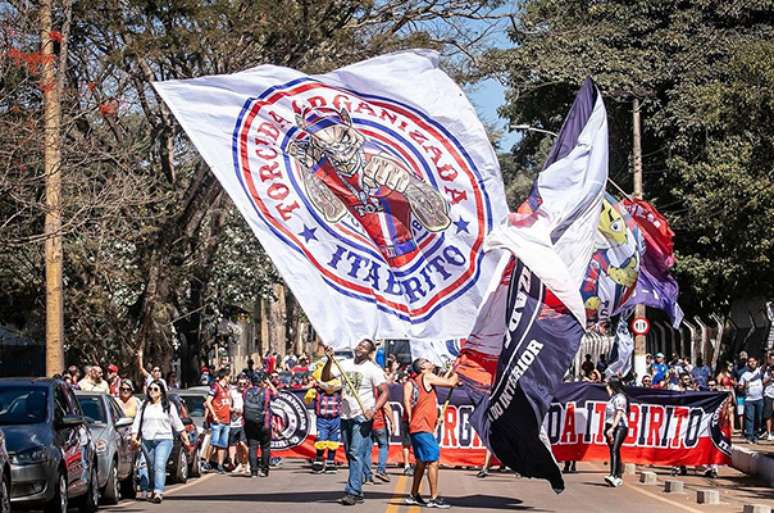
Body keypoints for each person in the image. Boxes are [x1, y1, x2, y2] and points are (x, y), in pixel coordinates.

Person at [321, 340, 389, 506]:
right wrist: (329, 360)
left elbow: (384, 392)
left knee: (355, 452)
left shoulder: (373, 370)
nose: (360, 348)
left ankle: (352, 491)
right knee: (350, 454)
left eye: (364, 347)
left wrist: (373, 410)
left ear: (370, 352)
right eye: (359, 345)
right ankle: (358, 490)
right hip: (345, 415)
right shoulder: (345, 363)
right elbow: (325, 377)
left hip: (362, 416)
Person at [404, 358, 458, 509]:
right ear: (422, 367)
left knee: (421, 463)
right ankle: (434, 498)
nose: (430, 362)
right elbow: (450, 383)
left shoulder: (421, 379)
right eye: (427, 361)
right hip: (422, 427)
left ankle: (413, 495)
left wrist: (451, 373)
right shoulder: (426, 376)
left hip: (420, 426)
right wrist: (458, 371)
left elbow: (445, 381)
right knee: (433, 461)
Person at [131, 380, 190, 503]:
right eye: (150, 389)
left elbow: (177, 423)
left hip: (164, 440)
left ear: (162, 392)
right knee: (152, 467)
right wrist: (134, 436)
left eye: (155, 389)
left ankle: (158, 491)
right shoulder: (144, 405)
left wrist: (185, 438)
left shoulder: (168, 405)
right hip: (147, 440)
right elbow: (137, 422)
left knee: (159, 465)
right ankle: (153, 487)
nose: (152, 391)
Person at [242, 371, 277, 477]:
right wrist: (269, 383)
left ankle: (253, 471)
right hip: (264, 423)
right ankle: (264, 470)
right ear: (261, 381)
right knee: (265, 447)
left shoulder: (246, 392)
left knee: (252, 447)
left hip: (249, 423)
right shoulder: (266, 391)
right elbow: (276, 395)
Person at [308, 369, 343, 474]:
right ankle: (319, 460)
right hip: (322, 419)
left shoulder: (339, 392)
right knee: (321, 440)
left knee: (333, 441)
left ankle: (330, 461)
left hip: (335, 419)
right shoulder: (318, 391)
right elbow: (308, 398)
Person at [205, 369, 232, 473]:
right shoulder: (216, 386)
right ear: (225, 376)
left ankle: (219, 465)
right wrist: (214, 415)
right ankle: (207, 462)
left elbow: (226, 404)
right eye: (228, 376)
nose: (229, 378)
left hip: (226, 420)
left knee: (223, 444)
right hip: (217, 420)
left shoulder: (226, 389)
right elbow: (208, 402)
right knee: (213, 442)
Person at [604, 376, 628, 487]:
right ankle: (618, 474)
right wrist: (607, 383)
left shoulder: (621, 398)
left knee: (614, 449)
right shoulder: (613, 397)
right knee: (614, 450)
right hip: (609, 425)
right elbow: (609, 392)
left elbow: (619, 413)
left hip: (620, 426)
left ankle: (613, 475)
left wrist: (613, 428)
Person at [366, 385, 394, 483]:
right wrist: (393, 422)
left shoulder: (365, 391)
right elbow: (386, 407)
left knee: (367, 449)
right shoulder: (381, 390)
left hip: (366, 422)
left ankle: (367, 474)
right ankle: (381, 470)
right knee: (383, 446)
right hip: (379, 422)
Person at [739, 356, 764, 443]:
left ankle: (756, 436)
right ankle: (749, 436)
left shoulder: (760, 371)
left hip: (760, 398)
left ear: (756, 362)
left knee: (759, 418)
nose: (752, 363)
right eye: (750, 361)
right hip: (749, 400)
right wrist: (744, 386)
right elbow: (740, 388)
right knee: (749, 418)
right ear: (747, 364)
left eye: (754, 361)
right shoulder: (744, 375)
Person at [229, 374, 250, 474]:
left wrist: (245, 412)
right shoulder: (232, 392)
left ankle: (248, 462)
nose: (242, 385)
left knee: (243, 443)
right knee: (237, 445)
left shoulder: (249, 392)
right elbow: (228, 406)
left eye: (244, 384)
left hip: (245, 421)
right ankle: (241, 464)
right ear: (236, 383)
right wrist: (234, 410)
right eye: (240, 383)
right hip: (234, 421)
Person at [764, 362, 774, 441]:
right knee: (768, 415)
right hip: (768, 395)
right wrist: (770, 377)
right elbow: (763, 382)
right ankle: (769, 433)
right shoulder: (767, 373)